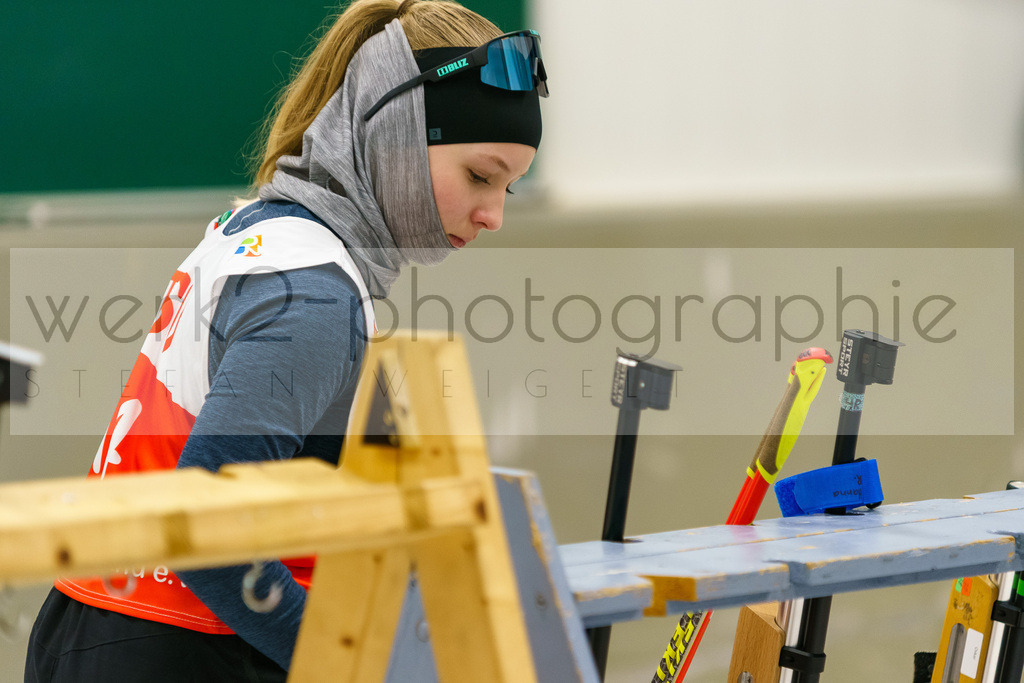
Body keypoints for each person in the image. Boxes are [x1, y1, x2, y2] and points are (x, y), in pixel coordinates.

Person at [24, 0, 547, 679]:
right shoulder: (314, 294)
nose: (494, 214)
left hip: (105, 625)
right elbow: (208, 526)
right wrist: (339, 660)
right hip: (176, 648)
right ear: (389, 132)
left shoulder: (260, 231)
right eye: (481, 175)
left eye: (510, 185)